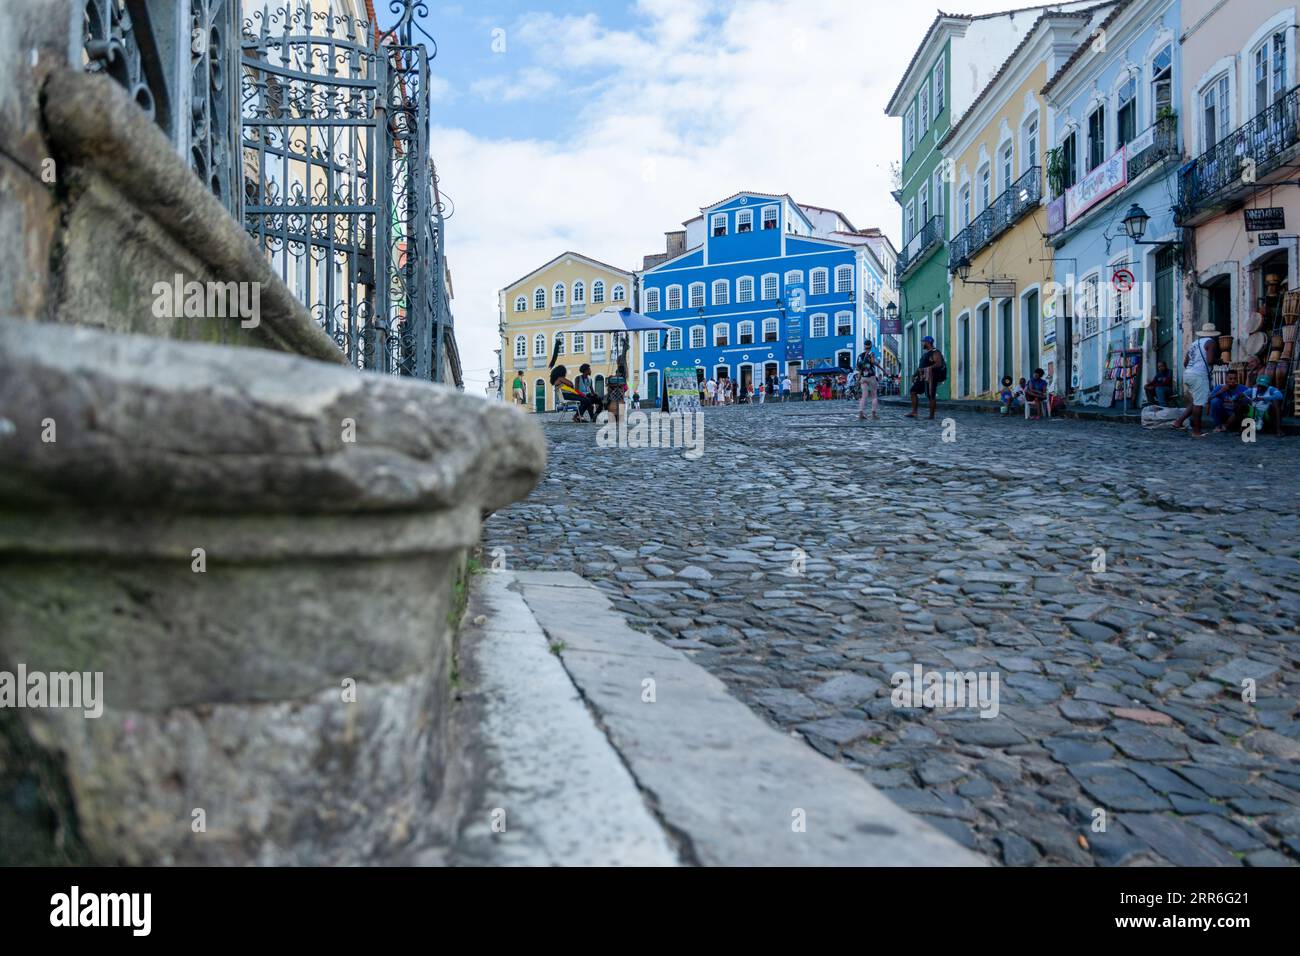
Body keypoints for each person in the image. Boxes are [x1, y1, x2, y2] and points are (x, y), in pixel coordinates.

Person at [1173, 323, 1218, 438]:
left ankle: (1178, 421)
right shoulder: (1211, 343)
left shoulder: (1194, 344)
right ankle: (1196, 431)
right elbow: (1210, 361)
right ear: (1213, 334)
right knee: (1199, 403)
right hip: (1199, 375)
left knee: (1197, 400)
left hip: (1188, 374)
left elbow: (1185, 363)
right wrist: (1220, 360)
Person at [905, 335, 946, 419]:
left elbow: (938, 364)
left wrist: (926, 369)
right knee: (913, 391)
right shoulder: (926, 354)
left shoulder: (935, 352)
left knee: (931, 396)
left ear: (928, 342)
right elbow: (921, 366)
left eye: (923, 342)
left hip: (931, 378)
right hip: (922, 377)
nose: (922, 344)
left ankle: (931, 416)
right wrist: (915, 374)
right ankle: (914, 412)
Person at [856, 340, 882, 420]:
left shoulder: (860, 356)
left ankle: (861, 413)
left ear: (864, 346)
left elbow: (858, 368)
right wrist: (882, 369)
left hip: (863, 377)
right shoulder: (872, 354)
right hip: (871, 377)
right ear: (871, 346)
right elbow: (873, 362)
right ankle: (873, 414)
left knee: (863, 396)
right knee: (874, 396)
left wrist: (858, 378)